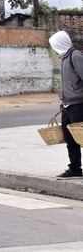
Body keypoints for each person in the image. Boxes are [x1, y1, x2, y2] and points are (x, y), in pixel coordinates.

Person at [49, 30, 83, 178]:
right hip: (67, 105)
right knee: (70, 139)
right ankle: (75, 169)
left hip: (78, 104)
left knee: (81, 137)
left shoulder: (75, 56)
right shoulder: (63, 57)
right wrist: (63, 102)